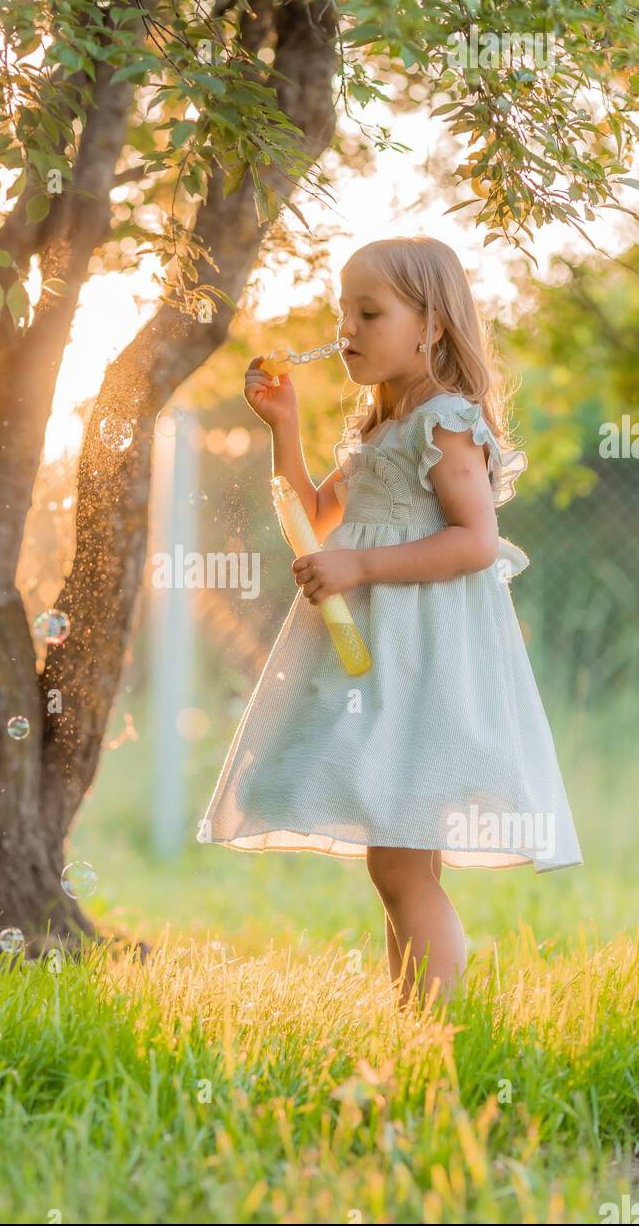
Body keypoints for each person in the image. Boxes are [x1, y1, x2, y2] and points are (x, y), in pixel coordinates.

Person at [196, 235, 583, 1007]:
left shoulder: (442, 422)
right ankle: (416, 1020)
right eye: (343, 313)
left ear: (431, 325)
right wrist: (282, 425)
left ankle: (435, 1025)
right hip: (378, 659)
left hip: (424, 659)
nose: (346, 331)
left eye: (369, 313)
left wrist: (362, 565)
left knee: (400, 863)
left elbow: (476, 542)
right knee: (399, 857)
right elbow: (308, 517)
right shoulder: (379, 431)